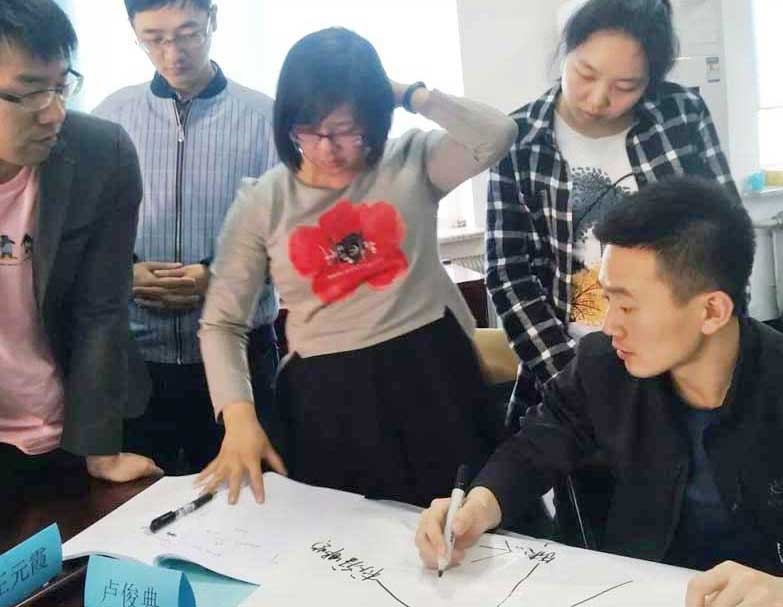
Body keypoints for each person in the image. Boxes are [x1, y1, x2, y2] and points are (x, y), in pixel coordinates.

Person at [416, 177, 783, 604]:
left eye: (628, 306)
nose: (609, 325)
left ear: (712, 311)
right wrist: (476, 507)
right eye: (607, 301)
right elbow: (532, 449)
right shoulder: (602, 365)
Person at [197, 27, 516, 507]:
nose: (327, 149)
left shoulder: (411, 161)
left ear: (373, 116)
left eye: (347, 130)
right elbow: (222, 323)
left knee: (465, 521)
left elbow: (497, 134)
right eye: (308, 130)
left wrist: (408, 94)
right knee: (349, 536)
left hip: (433, 372)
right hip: (328, 394)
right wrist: (238, 417)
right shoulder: (264, 200)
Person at [486, 0, 738, 425]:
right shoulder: (520, 139)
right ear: (567, 50)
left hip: (680, 355)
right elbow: (509, 272)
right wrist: (573, 379)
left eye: (626, 86)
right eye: (585, 74)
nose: (598, 98)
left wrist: (716, 345)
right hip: (575, 357)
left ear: (650, 83)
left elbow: (726, 233)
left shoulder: (680, 114)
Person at [93, 0, 280, 475]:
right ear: (133, 30)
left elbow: (293, 239)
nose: (173, 54)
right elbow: (80, 236)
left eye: (188, 33)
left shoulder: (267, 119)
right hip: (136, 365)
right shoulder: (109, 120)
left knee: (250, 501)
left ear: (213, 18)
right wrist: (123, 275)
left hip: (242, 359)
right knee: (139, 505)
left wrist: (218, 278)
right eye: (154, 39)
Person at [0, 0, 160, 492]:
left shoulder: (101, 154)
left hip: (76, 423)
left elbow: (101, 308)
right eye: (31, 92)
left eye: (61, 85)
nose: (53, 112)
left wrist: (99, 448)